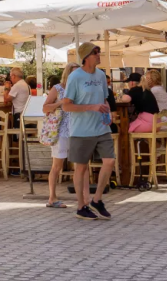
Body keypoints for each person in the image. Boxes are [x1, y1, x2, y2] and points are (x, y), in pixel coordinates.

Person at [61, 42, 115, 221]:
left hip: (102, 127)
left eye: (99, 52)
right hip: (81, 130)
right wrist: (91, 107)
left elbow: (105, 99)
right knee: (81, 168)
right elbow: (67, 105)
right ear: (86, 57)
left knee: (109, 161)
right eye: (95, 52)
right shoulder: (75, 77)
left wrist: (108, 110)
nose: (99, 55)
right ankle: (81, 206)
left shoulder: (100, 75)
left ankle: (97, 199)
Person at [43, 62, 79, 209]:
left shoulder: (80, 89)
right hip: (62, 131)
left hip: (78, 130)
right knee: (57, 166)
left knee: (80, 165)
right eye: (74, 73)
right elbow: (45, 108)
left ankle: (82, 198)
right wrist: (60, 103)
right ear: (68, 73)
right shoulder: (58, 88)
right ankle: (52, 197)